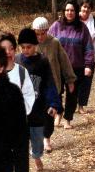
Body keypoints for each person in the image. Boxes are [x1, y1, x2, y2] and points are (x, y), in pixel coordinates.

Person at [0, 32, 35, 172]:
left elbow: (29, 96)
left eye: (11, 48)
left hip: (16, 126)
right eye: (4, 49)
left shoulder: (21, 72)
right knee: (2, 165)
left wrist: (17, 113)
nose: (9, 52)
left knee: (13, 162)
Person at [16, 27, 61, 171]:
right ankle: (21, 169)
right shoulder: (16, 60)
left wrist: (53, 103)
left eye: (28, 47)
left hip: (37, 107)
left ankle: (36, 155)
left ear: (35, 45)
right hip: (20, 108)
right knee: (20, 139)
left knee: (37, 138)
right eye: (22, 47)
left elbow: (49, 83)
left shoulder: (42, 61)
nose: (25, 50)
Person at [48, 0, 95, 129]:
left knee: (72, 94)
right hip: (58, 67)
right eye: (67, 10)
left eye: (72, 10)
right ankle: (59, 112)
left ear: (76, 12)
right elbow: (47, 43)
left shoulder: (82, 28)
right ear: (64, 12)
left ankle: (67, 119)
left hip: (76, 67)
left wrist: (88, 65)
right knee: (57, 92)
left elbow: (89, 48)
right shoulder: (56, 26)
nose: (69, 12)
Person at [32, 16, 76, 151]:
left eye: (43, 33)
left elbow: (64, 61)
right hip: (34, 88)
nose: (40, 37)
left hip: (52, 86)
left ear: (47, 30)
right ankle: (35, 139)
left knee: (49, 115)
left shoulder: (54, 43)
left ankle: (46, 139)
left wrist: (70, 79)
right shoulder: (30, 45)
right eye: (37, 34)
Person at [78, 0, 95, 113]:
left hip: (88, 57)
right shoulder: (73, 19)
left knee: (86, 81)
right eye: (84, 6)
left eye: (88, 7)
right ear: (80, 7)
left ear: (91, 9)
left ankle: (81, 105)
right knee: (74, 81)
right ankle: (72, 104)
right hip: (74, 56)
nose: (86, 9)